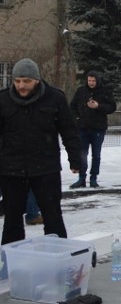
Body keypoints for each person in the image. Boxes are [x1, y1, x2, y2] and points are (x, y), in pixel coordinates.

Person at [0, 58, 82, 244]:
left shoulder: (55, 98)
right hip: (11, 169)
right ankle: (11, 262)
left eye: (26, 81)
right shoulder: (3, 100)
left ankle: (58, 257)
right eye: (17, 81)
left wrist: (75, 159)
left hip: (45, 168)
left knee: (53, 216)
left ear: (36, 80)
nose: (21, 85)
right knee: (12, 219)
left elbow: (69, 131)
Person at [69, 71, 117, 189]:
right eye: (89, 80)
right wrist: (77, 118)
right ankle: (81, 178)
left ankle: (93, 178)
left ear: (97, 80)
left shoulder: (105, 91)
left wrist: (98, 106)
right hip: (82, 128)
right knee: (82, 154)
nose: (91, 83)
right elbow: (72, 106)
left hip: (98, 128)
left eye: (93, 81)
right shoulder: (81, 91)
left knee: (96, 155)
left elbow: (112, 107)